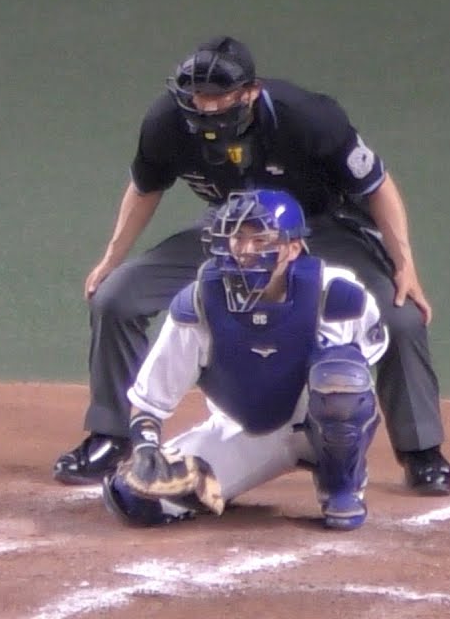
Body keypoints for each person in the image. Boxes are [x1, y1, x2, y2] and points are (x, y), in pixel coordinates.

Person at [54, 35, 450, 495]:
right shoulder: (168, 122)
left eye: (218, 95)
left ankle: (422, 450)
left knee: (401, 315)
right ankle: (110, 436)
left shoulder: (306, 116)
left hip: (319, 229)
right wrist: (112, 258)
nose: (206, 105)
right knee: (116, 297)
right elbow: (145, 188)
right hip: (233, 234)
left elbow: (377, 185)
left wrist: (405, 265)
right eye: (197, 95)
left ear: (250, 91)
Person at [101, 188, 387, 530]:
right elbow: (150, 400)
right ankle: (220, 479)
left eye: (261, 240)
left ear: (293, 248)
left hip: (316, 423)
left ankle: (341, 482)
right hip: (247, 429)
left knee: (340, 378)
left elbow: (360, 378)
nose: (246, 250)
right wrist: (146, 449)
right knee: (134, 498)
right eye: (238, 238)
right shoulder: (200, 303)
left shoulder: (335, 294)